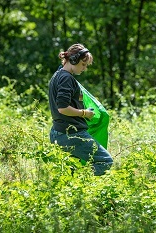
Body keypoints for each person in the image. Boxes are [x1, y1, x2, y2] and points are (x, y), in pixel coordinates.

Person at [48, 43, 113, 176]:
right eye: (83, 64)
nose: (84, 68)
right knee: (105, 161)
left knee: (70, 171)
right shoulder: (66, 78)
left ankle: (76, 191)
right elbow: (63, 108)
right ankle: (82, 180)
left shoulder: (57, 75)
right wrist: (84, 113)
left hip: (58, 133)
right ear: (73, 60)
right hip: (72, 134)